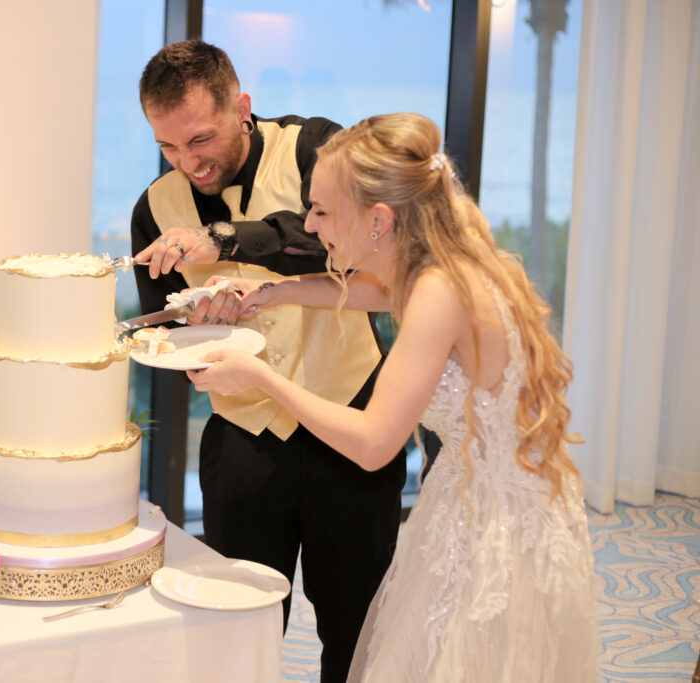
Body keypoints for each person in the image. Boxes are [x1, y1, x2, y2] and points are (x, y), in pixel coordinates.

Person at [188, 112, 600, 681]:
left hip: (494, 524)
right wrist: (269, 291)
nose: (309, 224)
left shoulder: (438, 291)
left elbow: (376, 442)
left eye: (322, 211)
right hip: (480, 493)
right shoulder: (440, 263)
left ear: (378, 219)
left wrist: (260, 378)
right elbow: (371, 292)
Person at [130, 41, 407, 683]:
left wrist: (225, 240)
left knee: (356, 620)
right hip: (244, 443)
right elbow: (162, 331)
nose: (188, 162)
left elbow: (356, 248)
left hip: (349, 421)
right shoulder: (152, 207)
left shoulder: (315, 149)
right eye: (168, 147)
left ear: (242, 108)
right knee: (235, 625)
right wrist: (189, 330)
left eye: (200, 138)